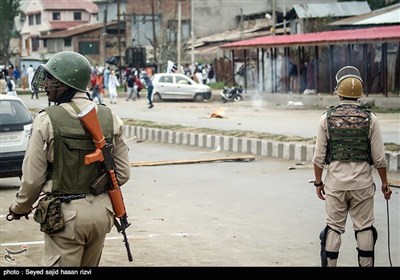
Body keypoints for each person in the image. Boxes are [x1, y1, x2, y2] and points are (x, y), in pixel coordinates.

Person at [7, 51, 131, 267]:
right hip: (103, 214)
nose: (45, 84)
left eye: (51, 80)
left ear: (65, 84)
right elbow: (122, 173)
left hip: (66, 217)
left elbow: (32, 180)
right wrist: (95, 188)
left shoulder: (46, 119)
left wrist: (20, 208)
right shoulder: (110, 117)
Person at [311, 66, 392, 267]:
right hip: (362, 185)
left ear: (339, 93)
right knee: (364, 228)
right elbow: (379, 158)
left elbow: (318, 158)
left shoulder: (326, 118)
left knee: (334, 228)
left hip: (336, 184)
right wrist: (384, 184)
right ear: (359, 95)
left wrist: (319, 183)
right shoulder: (371, 118)